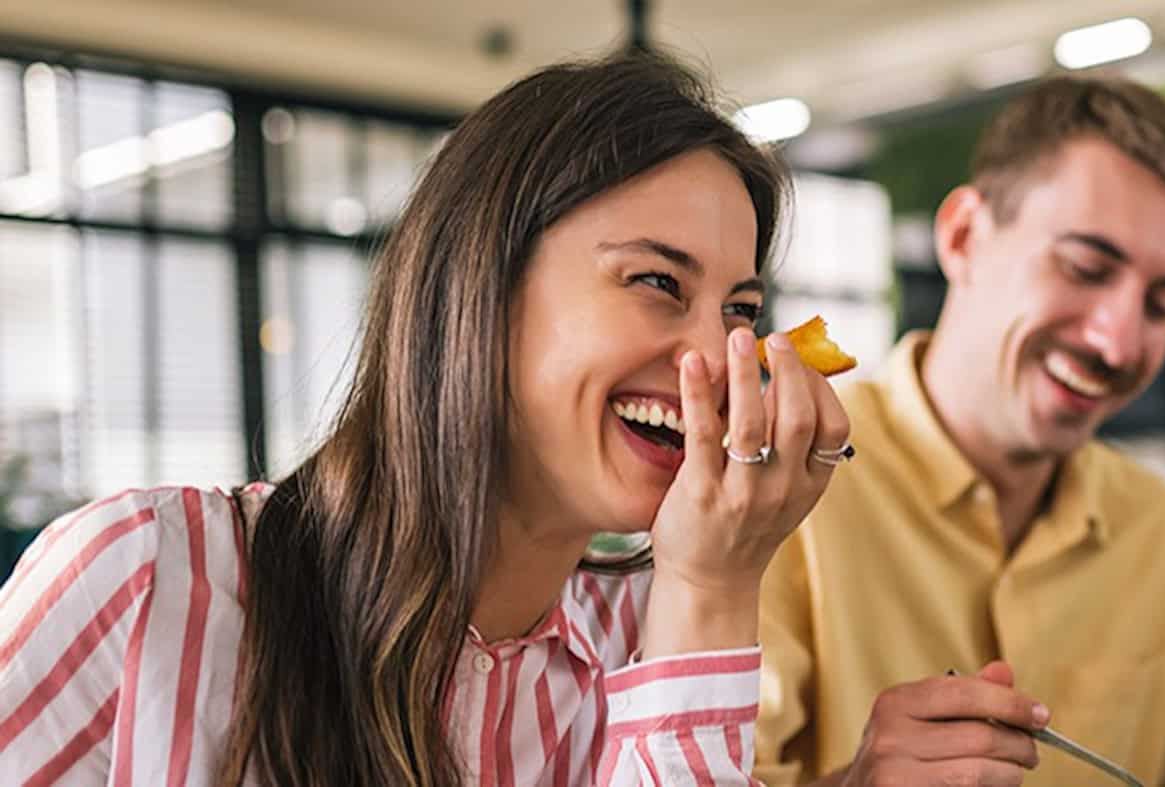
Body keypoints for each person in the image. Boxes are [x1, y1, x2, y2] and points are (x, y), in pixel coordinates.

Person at [0, 51, 851, 785]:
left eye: (740, 311)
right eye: (657, 283)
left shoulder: (649, 636)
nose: (718, 361)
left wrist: (709, 596)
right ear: (477, 289)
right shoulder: (149, 582)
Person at [753, 74, 1165, 786]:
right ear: (963, 237)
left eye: (1163, 305)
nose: (1120, 340)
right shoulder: (782, 481)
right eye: (1085, 267)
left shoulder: (1163, 534)